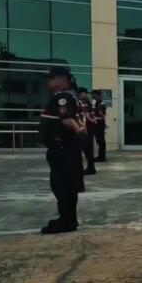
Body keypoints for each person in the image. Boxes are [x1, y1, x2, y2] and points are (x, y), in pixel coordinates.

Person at [38, 66, 86, 234]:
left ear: (63, 79)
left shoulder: (63, 97)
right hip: (66, 149)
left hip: (62, 150)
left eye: (52, 78)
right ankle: (68, 219)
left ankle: (66, 222)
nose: (48, 81)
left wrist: (78, 130)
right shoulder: (70, 96)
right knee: (66, 185)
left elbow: (67, 120)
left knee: (62, 185)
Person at [77, 87, 96, 175]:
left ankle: (90, 168)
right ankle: (91, 168)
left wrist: (85, 127)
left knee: (87, 150)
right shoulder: (85, 102)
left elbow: (86, 116)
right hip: (86, 128)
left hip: (86, 129)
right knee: (87, 150)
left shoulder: (85, 103)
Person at [91, 90, 107, 162]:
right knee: (100, 141)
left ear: (97, 95)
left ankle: (101, 157)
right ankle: (101, 156)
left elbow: (100, 112)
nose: (92, 96)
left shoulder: (99, 102)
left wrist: (102, 118)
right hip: (100, 122)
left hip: (99, 122)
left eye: (93, 95)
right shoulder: (101, 102)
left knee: (100, 140)